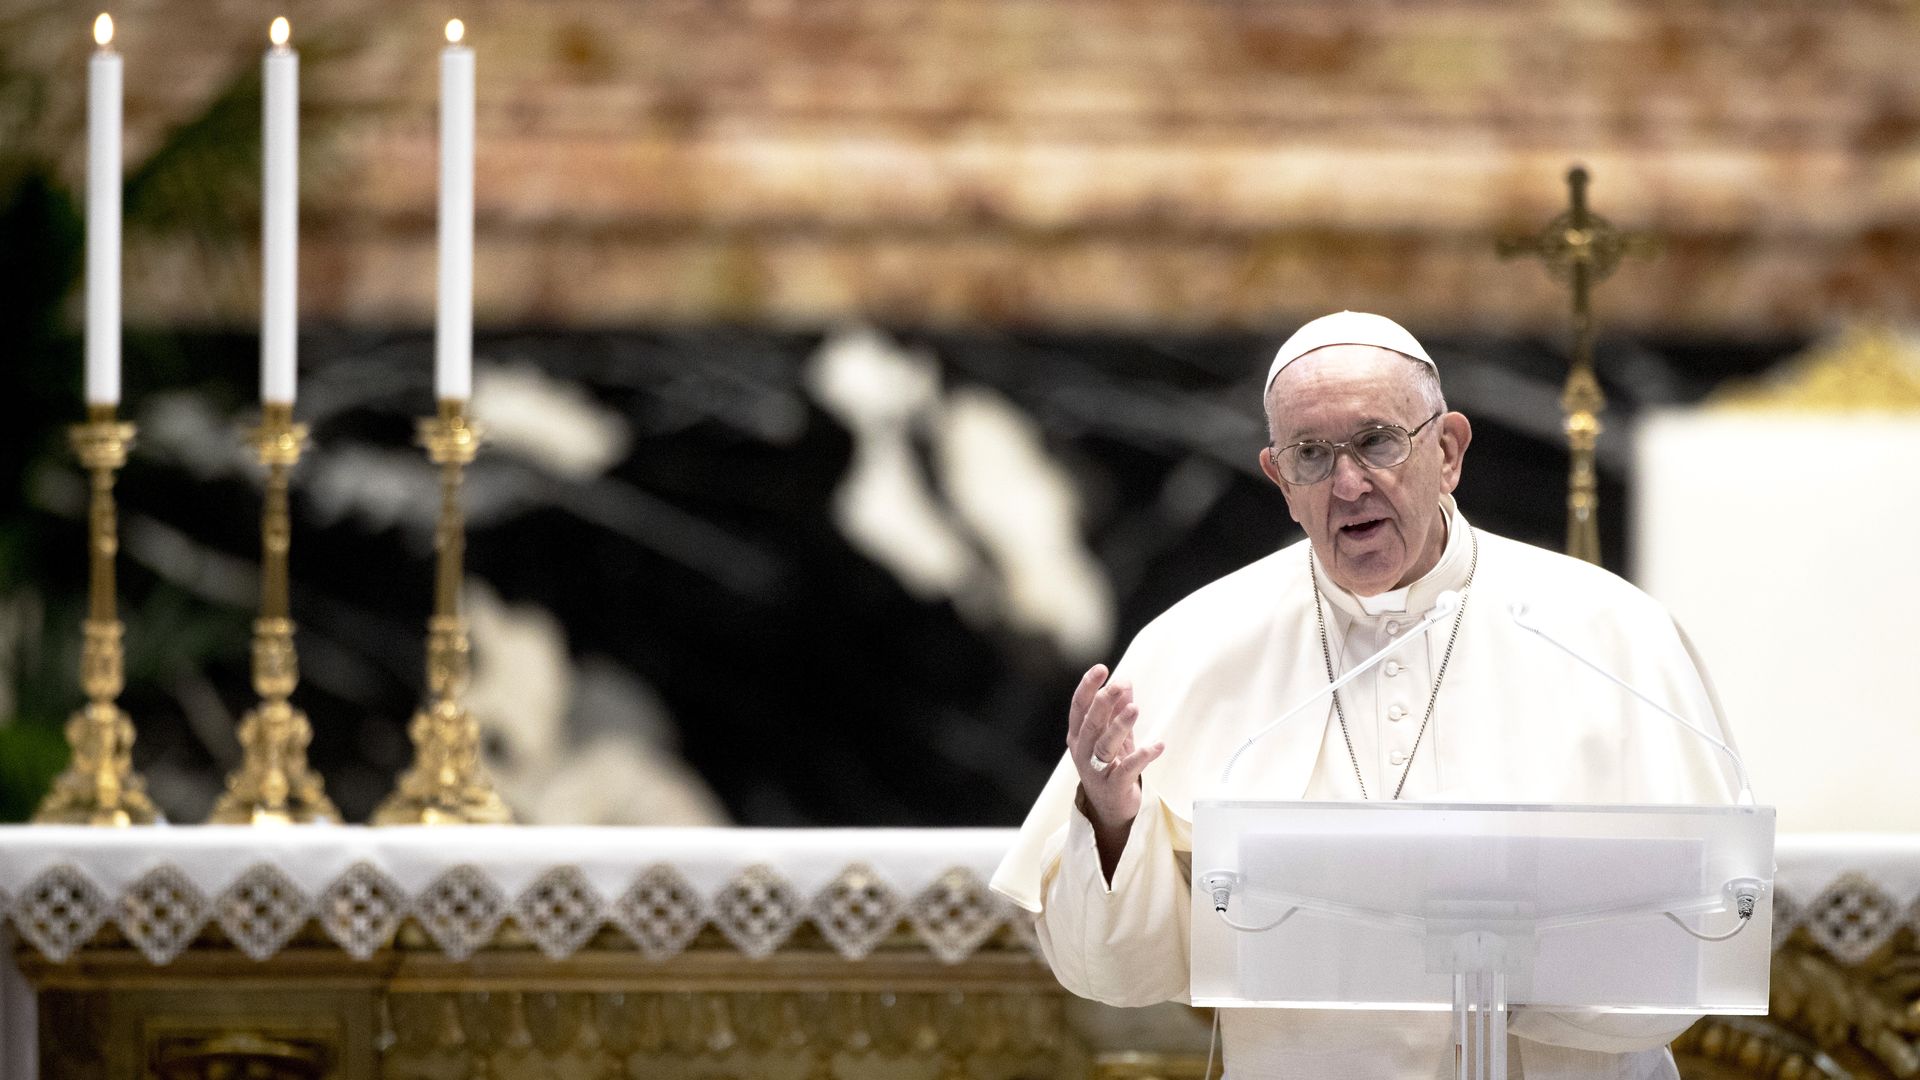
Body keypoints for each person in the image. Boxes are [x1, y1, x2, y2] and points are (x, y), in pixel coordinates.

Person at [990, 312, 1740, 1079]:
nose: (1348, 485)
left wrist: (1500, 969)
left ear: (1447, 452)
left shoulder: (1609, 630)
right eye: (1311, 456)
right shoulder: (1195, 643)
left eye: (1378, 442)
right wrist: (1112, 820)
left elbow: (1701, 934)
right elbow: (1109, 974)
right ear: (1280, 480)